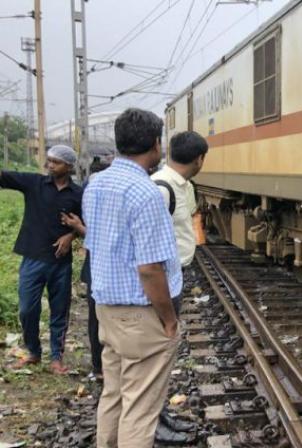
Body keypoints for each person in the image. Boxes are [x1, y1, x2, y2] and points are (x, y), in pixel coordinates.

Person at [82, 108, 182, 448]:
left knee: (114, 394)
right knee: (140, 409)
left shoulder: (96, 184)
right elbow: (149, 269)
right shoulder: (145, 193)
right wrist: (169, 320)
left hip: (106, 310)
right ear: (156, 144)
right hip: (140, 317)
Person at [0, 145, 82, 374]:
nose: (49, 165)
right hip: (33, 259)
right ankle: (34, 352)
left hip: (60, 263)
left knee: (59, 311)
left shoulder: (78, 194)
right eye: (49, 160)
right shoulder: (34, 183)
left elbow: (83, 224)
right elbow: (4, 176)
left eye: (55, 162)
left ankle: (56, 357)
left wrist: (71, 235)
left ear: (69, 166)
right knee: (27, 309)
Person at [149, 131, 207, 443]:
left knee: (164, 352)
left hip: (176, 273)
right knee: (158, 350)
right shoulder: (161, 188)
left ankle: (160, 413)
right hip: (165, 277)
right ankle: (152, 422)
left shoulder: (181, 186)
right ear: (199, 159)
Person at [61, 157, 112, 381]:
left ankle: (99, 367)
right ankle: (105, 367)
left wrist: (78, 228)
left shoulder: (88, 193)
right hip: (108, 270)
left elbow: (96, 236)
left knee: (96, 319)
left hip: (96, 269)